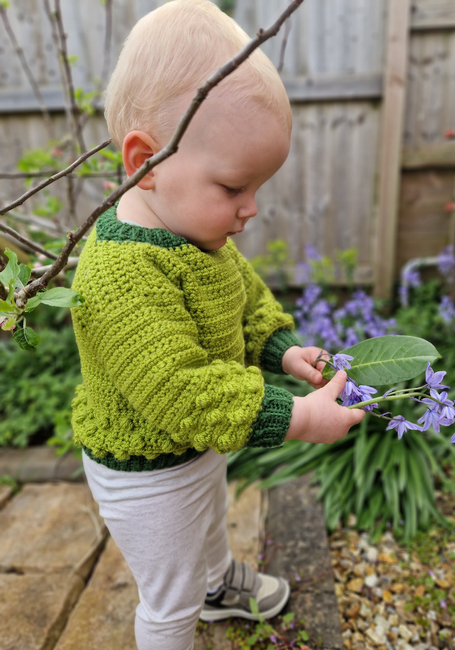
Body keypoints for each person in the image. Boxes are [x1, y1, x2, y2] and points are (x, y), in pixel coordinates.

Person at [70, 2, 365, 649]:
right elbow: (178, 390)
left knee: (209, 515)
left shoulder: (194, 235)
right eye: (234, 187)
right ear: (146, 161)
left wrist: (281, 348)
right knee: (167, 597)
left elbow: (244, 298)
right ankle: (183, 612)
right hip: (145, 472)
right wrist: (296, 417)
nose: (250, 208)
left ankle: (217, 583)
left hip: (197, 447)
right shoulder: (120, 273)